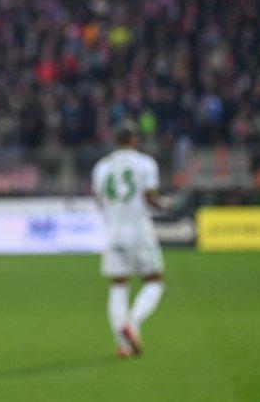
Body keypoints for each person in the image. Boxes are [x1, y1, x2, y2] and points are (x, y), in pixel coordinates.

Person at [92, 122, 168, 358]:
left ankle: (123, 345)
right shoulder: (145, 163)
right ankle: (132, 324)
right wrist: (166, 204)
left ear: (115, 141)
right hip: (138, 229)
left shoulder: (102, 167)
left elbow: (99, 201)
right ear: (134, 140)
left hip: (114, 230)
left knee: (118, 286)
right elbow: (150, 199)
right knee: (154, 281)